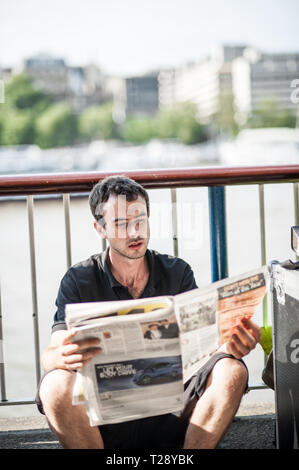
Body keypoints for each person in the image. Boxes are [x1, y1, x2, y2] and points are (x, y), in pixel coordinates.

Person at [37, 175, 261, 449]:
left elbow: (206, 346)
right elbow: (52, 355)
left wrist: (232, 343)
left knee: (231, 370)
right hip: (107, 415)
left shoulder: (177, 271)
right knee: (54, 385)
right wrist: (58, 357)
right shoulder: (79, 279)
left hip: (171, 403)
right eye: (121, 223)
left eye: (140, 220)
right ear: (100, 228)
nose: (134, 232)